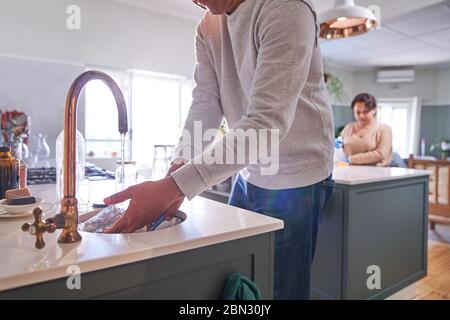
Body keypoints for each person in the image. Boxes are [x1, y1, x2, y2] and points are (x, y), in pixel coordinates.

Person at [104, 0, 335, 300]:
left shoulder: (287, 8)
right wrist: (179, 165)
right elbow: (206, 102)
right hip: (249, 171)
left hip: (296, 176)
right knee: (238, 283)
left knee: (280, 291)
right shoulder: (207, 26)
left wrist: (176, 187)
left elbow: (267, 123)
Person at [340, 93, 393, 167]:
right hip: (349, 172)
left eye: (365, 112)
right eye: (358, 112)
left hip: (377, 174)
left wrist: (351, 159)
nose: (361, 116)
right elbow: (340, 147)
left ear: (374, 110)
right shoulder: (348, 128)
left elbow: (381, 154)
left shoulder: (384, 129)